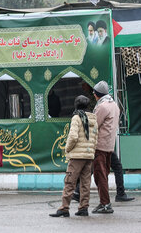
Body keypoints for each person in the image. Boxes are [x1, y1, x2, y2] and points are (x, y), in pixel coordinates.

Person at [49, 96, 98, 217]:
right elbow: (95, 138)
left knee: (70, 182)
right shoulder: (93, 118)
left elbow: (73, 137)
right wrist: (91, 151)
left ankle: (64, 208)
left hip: (77, 156)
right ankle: (83, 208)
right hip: (89, 155)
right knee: (85, 183)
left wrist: (67, 149)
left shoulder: (76, 118)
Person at [91, 81, 119, 214]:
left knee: (99, 175)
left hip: (100, 146)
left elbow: (94, 125)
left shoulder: (102, 107)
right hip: (109, 145)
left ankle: (105, 204)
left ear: (96, 94)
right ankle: (105, 202)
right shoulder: (114, 105)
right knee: (104, 174)